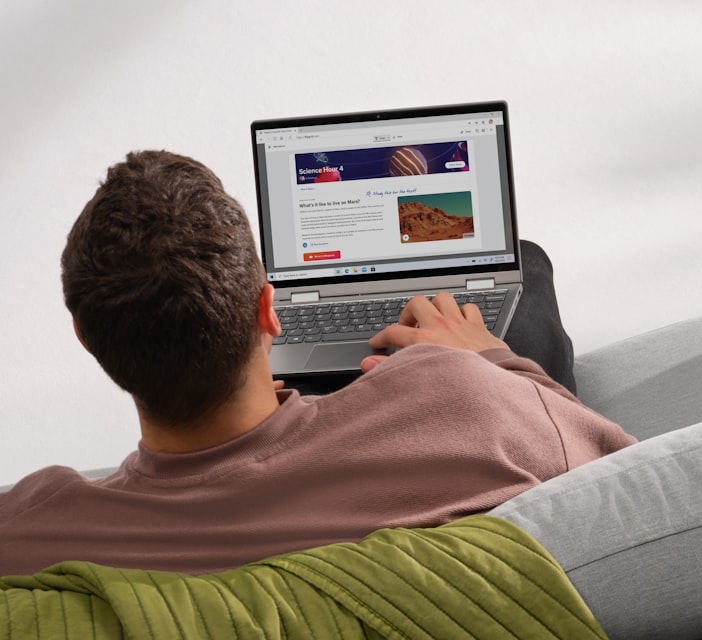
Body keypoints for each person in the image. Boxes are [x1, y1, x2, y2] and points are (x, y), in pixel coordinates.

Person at [0, 150, 635, 576]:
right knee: (522, 261)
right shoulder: (460, 403)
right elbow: (621, 473)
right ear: (268, 311)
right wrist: (490, 358)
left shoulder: (29, 531)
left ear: (85, 337)